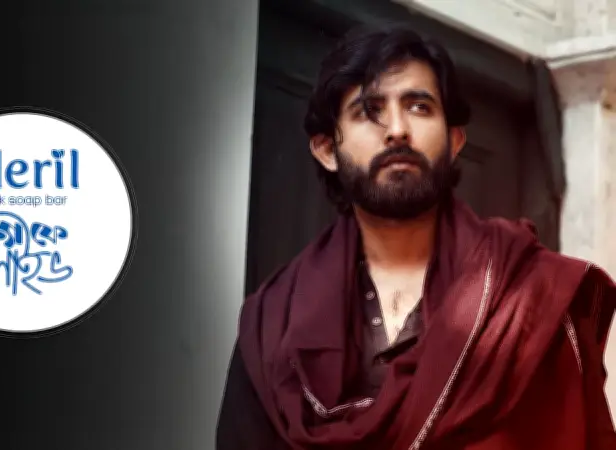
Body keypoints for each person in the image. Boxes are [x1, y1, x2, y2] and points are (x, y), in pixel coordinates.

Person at [215, 25, 616, 450]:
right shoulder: (273, 324)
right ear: (327, 150)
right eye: (369, 110)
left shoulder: (530, 296)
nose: (397, 129)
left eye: (419, 107)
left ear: (454, 141)